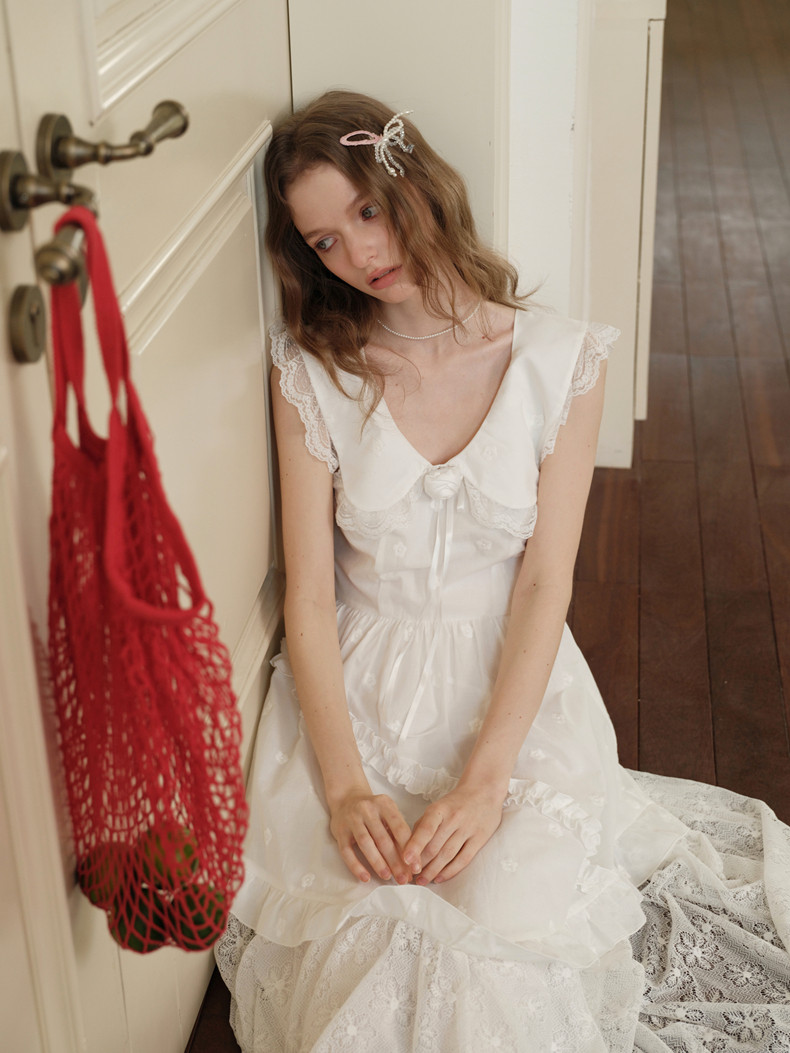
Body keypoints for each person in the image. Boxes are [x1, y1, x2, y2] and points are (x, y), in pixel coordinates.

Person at [215, 91, 790, 1052]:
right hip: (357, 697)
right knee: (383, 931)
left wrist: (486, 782)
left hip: (511, 690)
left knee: (504, 928)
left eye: (368, 209)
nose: (361, 253)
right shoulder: (311, 372)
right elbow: (309, 596)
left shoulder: (562, 359)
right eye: (325, 241)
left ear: (417, 181)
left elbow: (542, 584)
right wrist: (347, 785)